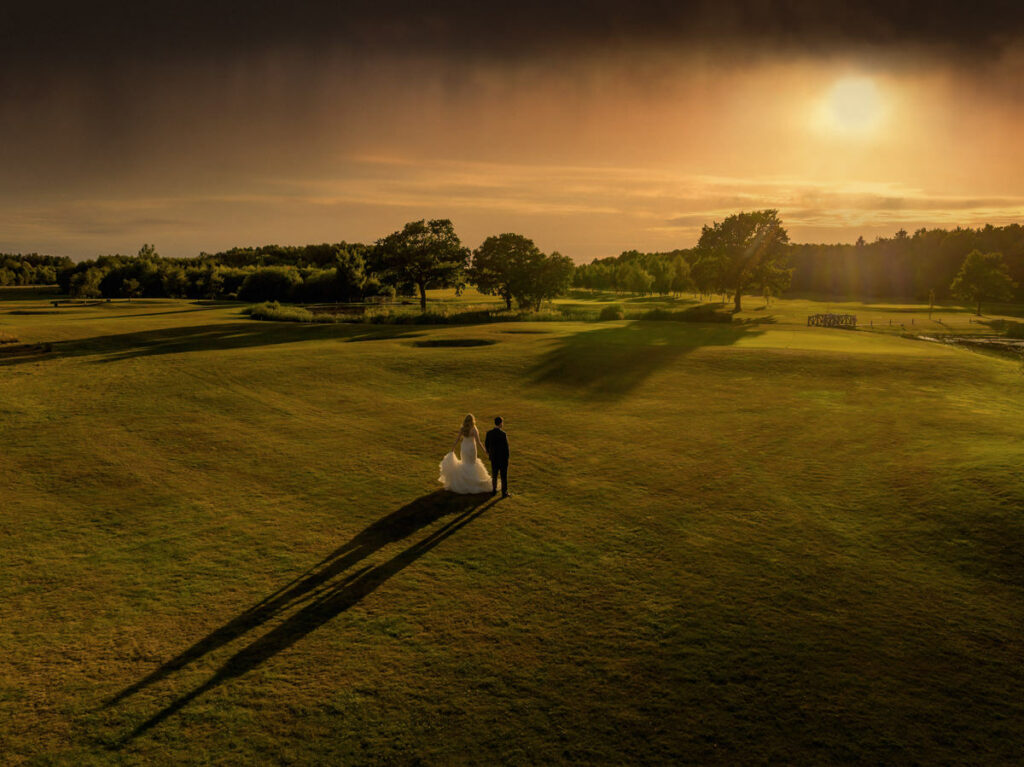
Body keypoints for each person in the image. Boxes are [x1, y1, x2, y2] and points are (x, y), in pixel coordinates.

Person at [438, 414, 493, 494]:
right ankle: (472, 482)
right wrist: (485, 450)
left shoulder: (463, 428)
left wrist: (452, 448)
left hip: (464, 447)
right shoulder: (474, 429)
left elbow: (457, 439)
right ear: (472, 420)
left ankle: (464, 482)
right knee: (471, 463)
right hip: (471, 448)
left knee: (465, 463)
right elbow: (478, 442)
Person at [484, 416, 510, 497]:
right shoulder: (503, 434)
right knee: (503, 476)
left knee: (494, 475)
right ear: (500, 423)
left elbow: (486, 444)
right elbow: (506, 448)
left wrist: (489, 453)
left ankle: (494, 490)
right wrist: (507, 458)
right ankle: (504, 492)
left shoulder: (489, 433)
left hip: (494, 458)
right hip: (502, 458)